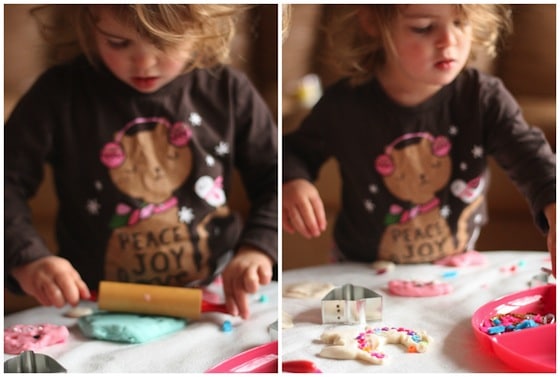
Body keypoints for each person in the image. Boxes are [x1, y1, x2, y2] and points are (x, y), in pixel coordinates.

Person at [5, 4, 278, 319]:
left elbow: (275, 176)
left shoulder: (228, 89)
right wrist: (28, 259)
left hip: (214, 292)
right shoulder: (58, 94)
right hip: (92, 301)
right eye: (118, 43)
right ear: (89, 24)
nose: (144, 62)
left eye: (166, 43)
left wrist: (256, 249)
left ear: (202, 28)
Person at [283, 4, 556, 273]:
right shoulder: (343, 106)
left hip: (451, 268)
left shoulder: (482, 97)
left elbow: (530, 155)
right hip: (360, 271)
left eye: (460, 23)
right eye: (423, 28)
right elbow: (292, 152)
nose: (449, 40)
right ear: (373, 23)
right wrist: (294, 180)